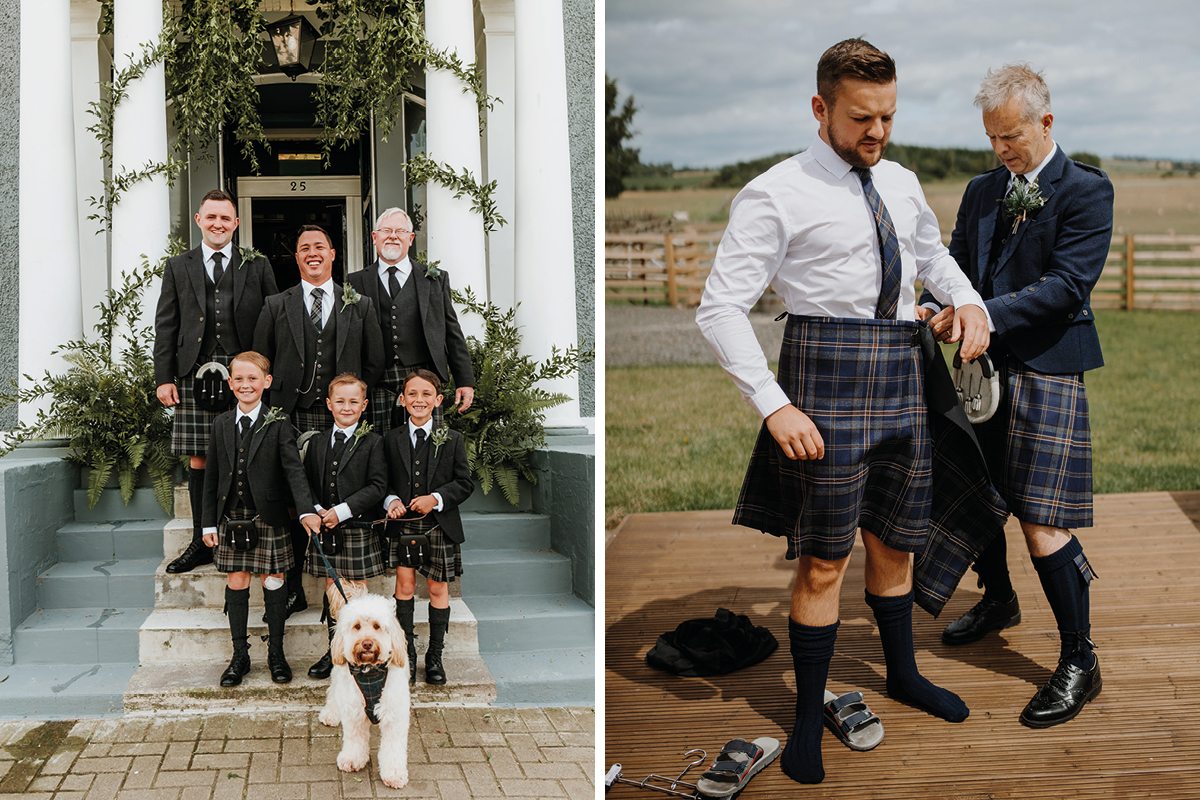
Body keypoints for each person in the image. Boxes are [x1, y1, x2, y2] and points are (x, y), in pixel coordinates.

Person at [696, 38, 991, 785]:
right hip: (822, 385)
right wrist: (773, 405)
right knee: (826, 562)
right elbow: (720, 308)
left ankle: (902, 674)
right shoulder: (776, 191)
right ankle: (804, 720)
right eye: (863, 118)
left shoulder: (901, 180)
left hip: (904, 377)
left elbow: (932, 258)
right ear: (822, 108)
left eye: (889, 116)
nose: (878, 133)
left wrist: (968, 300)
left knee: (897, 544)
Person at [920, 63, 1112, 728]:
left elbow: (1066, 286)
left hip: (1047, 365)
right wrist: (934, 306)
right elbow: (954, 267)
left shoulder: (1086, 190)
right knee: (977, 486)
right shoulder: (981, 191)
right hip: (979, 363)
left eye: (1012, 136)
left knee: (1039, 513)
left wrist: (982, 315)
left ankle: (1080, 660)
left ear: (1045, 122)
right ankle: (998, 598)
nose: (1003, 150)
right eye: (993, 138)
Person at [253, 224, 385, 616]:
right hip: (290, 418)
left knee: (338, 494)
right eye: (303, 247)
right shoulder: (277, 304)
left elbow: (374, 362)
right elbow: (261, 360)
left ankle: (338, 598)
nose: (312, 252)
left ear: (332, 254)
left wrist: (346, 401)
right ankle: (294, 588)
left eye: (319, 247)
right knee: (298, 501)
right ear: (296, 258)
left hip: (341, 417)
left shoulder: (359, 304)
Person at [154, 189, 279, 574]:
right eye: (211, 218)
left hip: (244, 371)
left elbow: (273, 317)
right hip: (195, 371)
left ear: (236, 223)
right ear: (198, 220)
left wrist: (264, 371)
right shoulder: (179, 266)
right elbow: (166, 323)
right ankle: (200, 540)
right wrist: (164, 377)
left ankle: (249, 534)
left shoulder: (256, 265)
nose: (218, 224)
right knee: (200, 456)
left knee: (249, 452)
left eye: (226, 218)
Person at [200, 351, 320, 687]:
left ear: (266, 382)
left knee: (274, 579)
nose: (245, 384)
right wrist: (208, 523)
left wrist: (307, 510)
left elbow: (294, 471)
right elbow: (211, 478)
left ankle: (276, 654)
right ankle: (240, 655)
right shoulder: (221, 423)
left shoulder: (278, 421)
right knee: (236, 580)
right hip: (231, 516)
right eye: (239, 379)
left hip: (267, 516)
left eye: (253, 378)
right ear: (229, 383)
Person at [382, 370, 474, 685]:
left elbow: (464, 483)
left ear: (438, 400)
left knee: (437, 588)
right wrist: (391, 500)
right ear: (403, 399)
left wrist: (435, 499)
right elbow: (383, 483)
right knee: (404, 586)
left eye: (426, 395)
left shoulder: (452, 439)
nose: (419, 400)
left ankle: (434, 656)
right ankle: (406, 653)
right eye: (412, 394)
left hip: (439, 525)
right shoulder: (391, 439)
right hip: (405, 526)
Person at [347, 208, 475, 433]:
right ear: (375, 237)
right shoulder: (355, 281)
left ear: (411, 238)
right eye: (386, 230)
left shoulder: (434, 279)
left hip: (424, 377)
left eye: (400, 231)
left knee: (425, 447)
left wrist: (465, 380)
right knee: (378, 448)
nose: (393, 236)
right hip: (376, 380)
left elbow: (451, 330)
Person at [301, 373, 388, 680]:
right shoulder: (317, 442)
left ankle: (361, 650)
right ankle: (335, 650)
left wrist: (342, 510)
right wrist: (316, 509)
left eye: (353, 401)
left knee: (357, 592)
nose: (346, 407)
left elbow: (378, 486)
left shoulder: (375, 442)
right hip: (325, 527)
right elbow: (306, 483)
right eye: (340, 401)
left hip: (357, 526)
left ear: (364, 405)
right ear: (329, 404)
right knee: (332, 590)